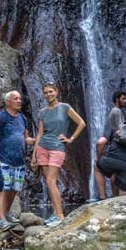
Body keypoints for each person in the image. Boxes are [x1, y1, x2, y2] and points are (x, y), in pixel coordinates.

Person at [31, 83, 86, 227]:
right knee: (50, 183)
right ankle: (55, 213)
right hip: (43, 147)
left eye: (51, 91)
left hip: (57, 147)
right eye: (46, 92)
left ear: (56, 92)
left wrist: (70, 139)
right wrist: (34, 154)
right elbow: (40, 133)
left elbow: (81, 123)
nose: (48, 94)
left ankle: (60, 216)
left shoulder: (65, 107)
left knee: (50, 180)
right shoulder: (42, 112)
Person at [0, 90, 35, 231]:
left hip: (19, 161)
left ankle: (6, 214)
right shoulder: (0, 116)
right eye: (16, 99)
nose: (19, 101)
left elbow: (26, 139)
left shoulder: (22, 118)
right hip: (4, 159)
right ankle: (1, 219)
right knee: (3, 189)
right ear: (8, 101)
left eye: (20, 99)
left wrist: (40, 140)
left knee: (14, 190)